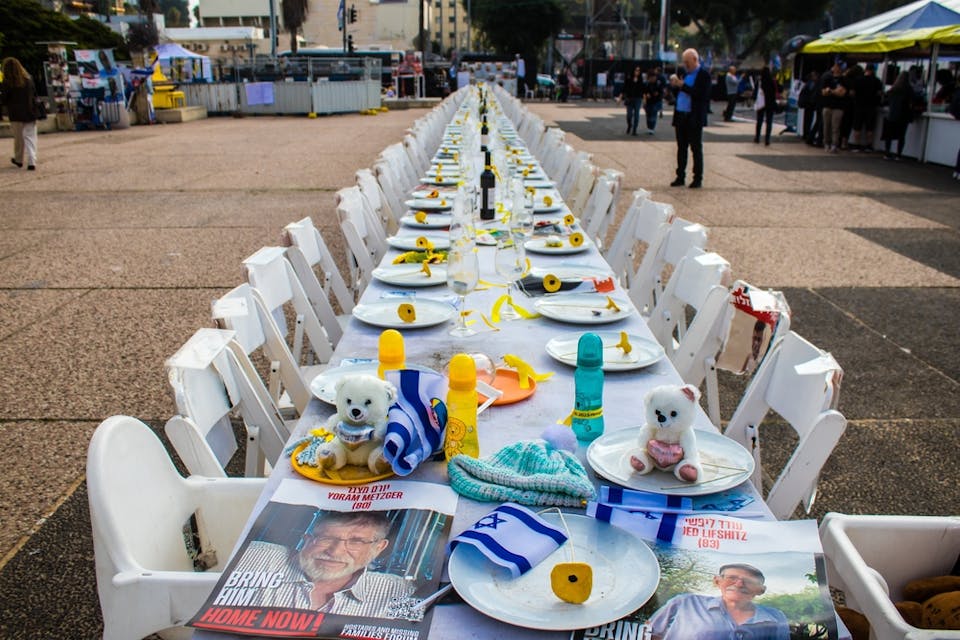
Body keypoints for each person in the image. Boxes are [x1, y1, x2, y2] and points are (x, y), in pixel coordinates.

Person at [228, 511, 412, 617]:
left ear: (378, 548)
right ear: (307, 538)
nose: (335, 552)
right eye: (326, 538)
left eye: (356, 541)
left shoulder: (401, 592)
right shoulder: (256, 555)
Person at [648, 563, 791, 640]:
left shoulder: (776, 617)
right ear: (717, 581)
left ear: (761, 590)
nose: (739, 584)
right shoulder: (685, 603)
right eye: (732, 578)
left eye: (749, 581)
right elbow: (649, 634)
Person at [670, 48, 711, 189]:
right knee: (681, 148)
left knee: (696, 148)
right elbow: (679, 93)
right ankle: (680, 176)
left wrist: (683, 86)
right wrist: (675, 86)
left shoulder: (703, 75)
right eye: (684, 62)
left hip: (694, 117)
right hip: (681, 115)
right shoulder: (684, 74)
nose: (685, 65)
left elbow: (701, 95)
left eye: (687, 62)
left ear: (695, 60)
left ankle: (697, 178)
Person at [1, 57, 39, 171]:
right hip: (30, 112)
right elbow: (34, 94)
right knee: (30, 137)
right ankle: (32, 160)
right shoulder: (28, 79)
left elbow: (4, 99)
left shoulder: (7, 82)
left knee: (19, 138)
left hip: (15, 114)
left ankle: (19, 159)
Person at [881, 71, 915, 161]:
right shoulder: (909, 90)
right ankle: (898, 154)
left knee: (889, 136)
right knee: (901, 136)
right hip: (903, 116)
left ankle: (887, 153)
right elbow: (912, 103)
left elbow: (885, 101)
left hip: (892, 114)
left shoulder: (893, 90)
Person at [851, 64, 883, 152]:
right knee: (870, 127)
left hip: (859, 106)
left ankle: (856, 145)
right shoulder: (877, 81)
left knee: (857, 126)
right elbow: (879, 94)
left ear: (865, 69)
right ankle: (868, 145)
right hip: (871, 107)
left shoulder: (857, 80)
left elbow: (852, 93)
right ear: (873, 70)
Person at [820, 62, 847, 153]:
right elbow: (823, 92)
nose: (838, 69)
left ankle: (834, 144)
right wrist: (835, 91)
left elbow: (842, 93)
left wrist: (831, 91)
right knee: (826, 126)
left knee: (835, 127)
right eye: (837, 66)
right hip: (827, 105)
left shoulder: (844, 79)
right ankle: (826, 143)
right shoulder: (827, 77)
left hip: (839, 107)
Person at [754, 66, 777, 146]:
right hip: (770, 103)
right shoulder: (772, 81)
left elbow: (755, 92)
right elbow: (776, 91)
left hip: (761, 103)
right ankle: (767, 139)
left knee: (759, 121)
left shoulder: (760, 81)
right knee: (769, 122)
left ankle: (757, 137)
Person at [618, 65, 644, 135]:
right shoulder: (629, 78)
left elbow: (643, 90)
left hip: (638, 99)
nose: (637, 72)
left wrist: (644, 99)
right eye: (636, 70)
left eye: (638, 71)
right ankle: (629, 125)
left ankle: (635, 129)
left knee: (636, 114)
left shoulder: (641, 80)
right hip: (629, 98)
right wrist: (620, 97)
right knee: (629, 115)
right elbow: (624, 88)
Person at [642, 68, 666, 134]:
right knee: (648, 116)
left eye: (654, 77)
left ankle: (652, 128)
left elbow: (662, 92)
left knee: (653, 115)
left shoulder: (658, 83)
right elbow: (644, 92)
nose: (653, 79)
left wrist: (658, 94)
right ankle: (649, 127)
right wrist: (646, 96)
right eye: (651, 78)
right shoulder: (647, 83)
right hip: (648, 102)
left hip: (656, 101)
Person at [799, 70, 820, 145]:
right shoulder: (812, 84)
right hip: (810, 104)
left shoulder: (807, 83)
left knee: (807, 119)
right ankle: (806, 134)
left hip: (807, 104)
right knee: (808, 119)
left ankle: (806, 133)